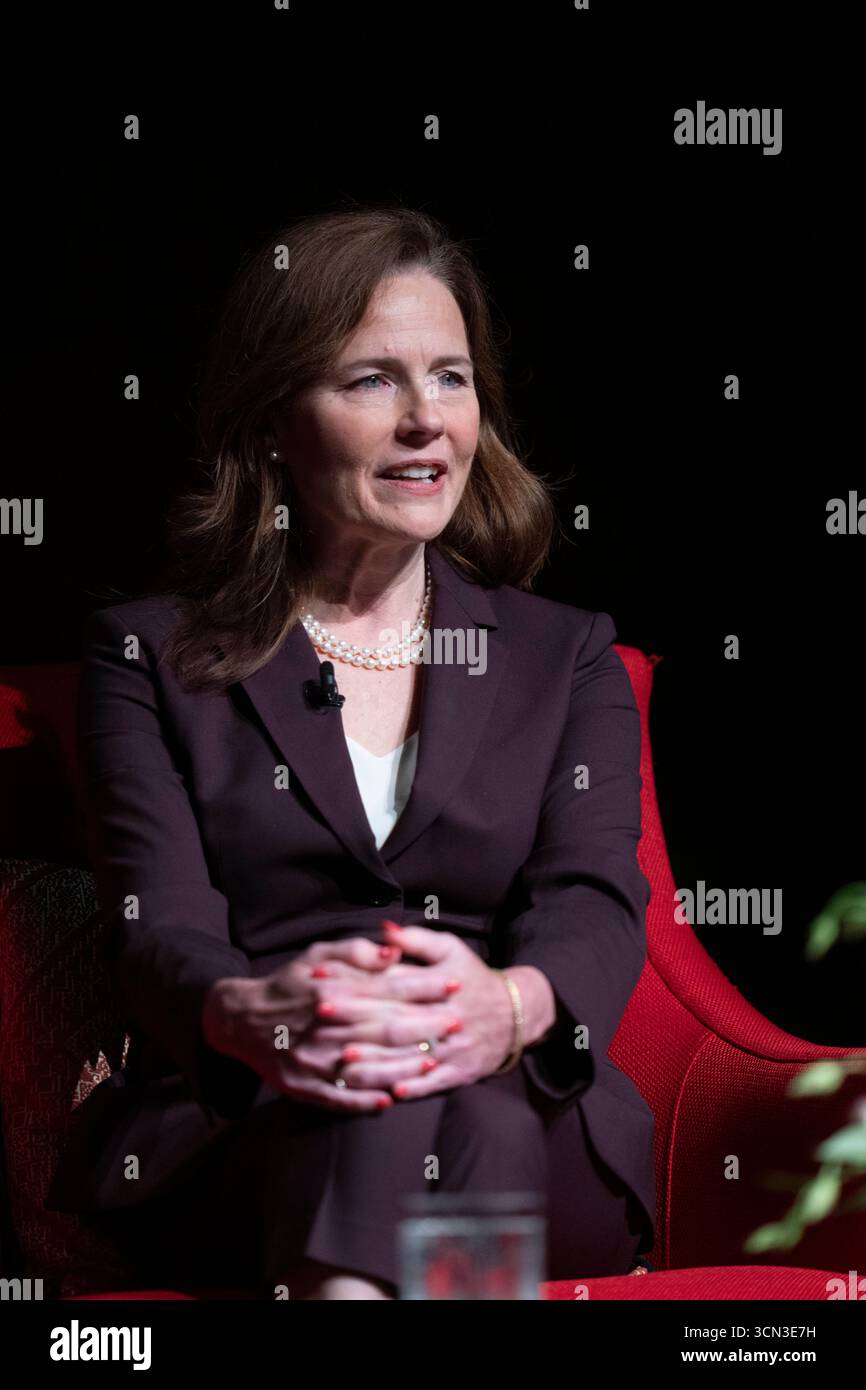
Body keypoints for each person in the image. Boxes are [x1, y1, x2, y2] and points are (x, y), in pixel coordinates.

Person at [46, 205, 656, 1299]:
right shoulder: (151, 655)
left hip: (524, 1094)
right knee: (390, 1104)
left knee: (457, 1102)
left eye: (451, 378)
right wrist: (250, 1016)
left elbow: (595, 897)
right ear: (273, 420)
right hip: (259, 1116)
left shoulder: (565, 656)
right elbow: (159, 923)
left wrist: (509, 1008)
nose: (426, 420)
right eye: (372, 379)